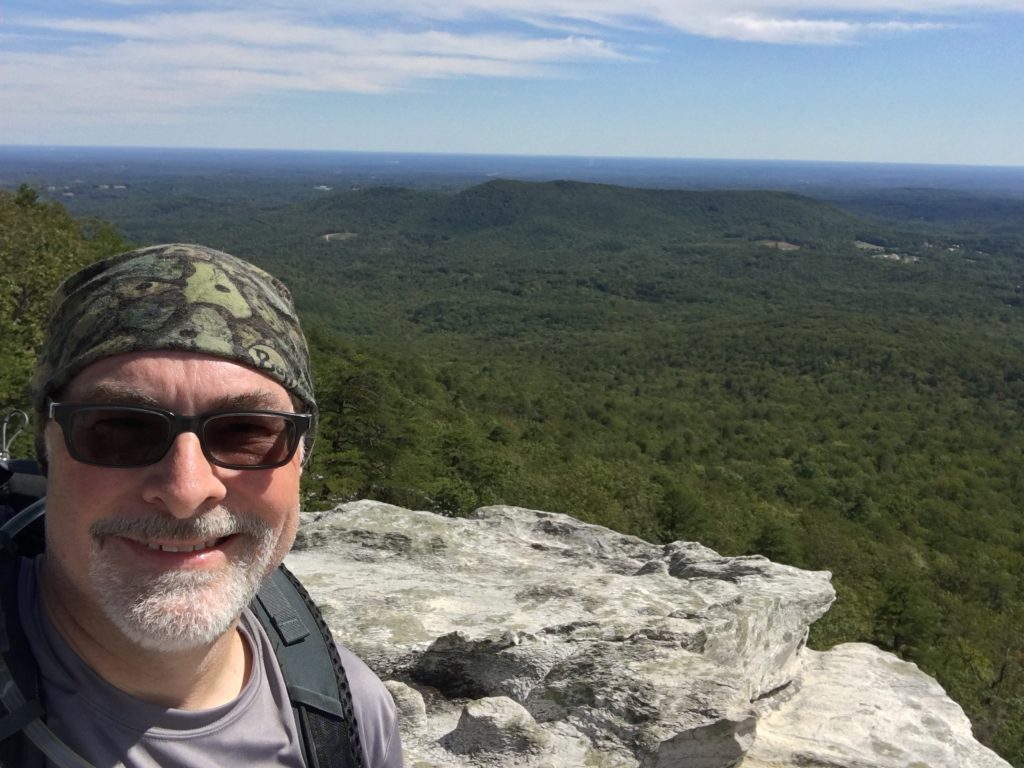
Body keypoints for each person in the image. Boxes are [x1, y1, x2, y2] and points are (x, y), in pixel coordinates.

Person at [3, 244, 403, 767]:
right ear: (47, 446)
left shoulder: (348, 716)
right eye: (120, 429)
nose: (186, 489)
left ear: (300, 457)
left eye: (246, 433)